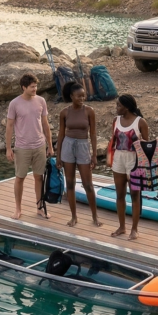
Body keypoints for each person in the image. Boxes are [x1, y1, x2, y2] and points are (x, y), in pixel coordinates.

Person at [5, 73, 54, 220]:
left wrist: (50, 146)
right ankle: (18, 209)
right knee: (20, 177)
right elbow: (9, 126)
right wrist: (8, 148)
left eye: (36, 86)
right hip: (22, 147)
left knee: (39, 177)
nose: (35, 89)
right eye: (32, 87)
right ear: (24, 87)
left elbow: (45, 124)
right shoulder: (14, 103)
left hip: (39, 145)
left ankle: (39, 208)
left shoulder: (41, 101)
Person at [54, 82, 100, 227]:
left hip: (83, 146)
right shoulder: (64, 112)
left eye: (83, 96)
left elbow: (93, 134)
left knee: (88, 184)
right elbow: (61, 134)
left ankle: (95, 217)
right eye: (78, 96)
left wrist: (94, 154)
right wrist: (58, 156)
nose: (82, 98)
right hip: (67, 146)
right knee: (70, 183)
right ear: (71, 96)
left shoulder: (89, 111)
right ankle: (74, 217)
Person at [108, 94, 150, 240]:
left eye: (119, 105)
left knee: (134, 195)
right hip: (119, 158)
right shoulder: (116, 120)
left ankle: (134, 229)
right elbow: (113, 141)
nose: (116, 108)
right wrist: (110, 158)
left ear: (126, 107)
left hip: (134, 159)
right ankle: (122, 227)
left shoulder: (140, 122)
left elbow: (147, 146)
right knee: (120, 194)